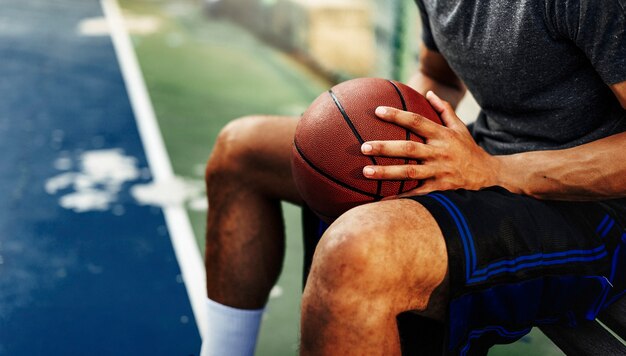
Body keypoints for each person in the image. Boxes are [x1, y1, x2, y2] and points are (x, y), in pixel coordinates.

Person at [200, 0, 626, 354]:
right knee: (243, 149)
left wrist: (493, 170)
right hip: (486, 156)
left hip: (594, 209)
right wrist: (385, 131)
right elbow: (438, 78)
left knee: (357, 251)